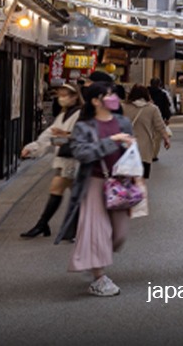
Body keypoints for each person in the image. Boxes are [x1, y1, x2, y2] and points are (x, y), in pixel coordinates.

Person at [54, 84, 137, 297]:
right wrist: (112, 141)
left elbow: (131, 153)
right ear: (95, 101)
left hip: (120, 184)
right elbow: (82, 153)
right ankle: (99, 276)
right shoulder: (85, 126)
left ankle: (94, 259)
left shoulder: (123, 123)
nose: (113, 98)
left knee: (119, 234)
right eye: (107, 95)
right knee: (96, 230)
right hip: (94, 182)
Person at [20, 83, 82, 238]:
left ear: (75, 96)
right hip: (65, 160)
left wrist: (57, 139)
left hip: (75, 160)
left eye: (65, 95)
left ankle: (45, 225)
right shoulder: (63, 114)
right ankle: (48, 225)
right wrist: (34, 147)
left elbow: (76, 138)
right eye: (60, 95)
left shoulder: (81, 114)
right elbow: (49, 134)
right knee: (70, 194)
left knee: (61, 191)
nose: (62, 98)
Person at [122, 85, 170, 179]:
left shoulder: (123, 107)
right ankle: (140, 192)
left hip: (126, 146)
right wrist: (166, 138)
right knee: (142, 179)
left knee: (127, 178)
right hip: (144, 149)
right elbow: (160, 126)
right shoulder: (152, 109)